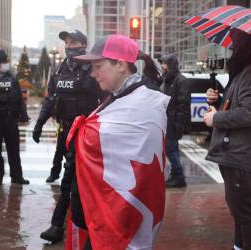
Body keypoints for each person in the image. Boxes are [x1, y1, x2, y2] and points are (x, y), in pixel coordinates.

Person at [64, 34, 170, 249]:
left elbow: (144, 170)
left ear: (120, 64)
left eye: (98, 66)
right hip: (97, 209)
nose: (93, 74)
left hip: (120, 216)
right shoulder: (116, 96)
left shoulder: (145, 102)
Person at [204, 28, 251, 250]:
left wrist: (216, 118)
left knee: (245, 214)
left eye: (237, 44)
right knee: (240, 211)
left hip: (241, 155)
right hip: (236, 154)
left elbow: (249, 114)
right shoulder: (248, 71)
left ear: (247, 45)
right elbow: (239, 105)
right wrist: (218, 101)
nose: (233, 49)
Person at [33, 30, 103, 243]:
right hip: (66, 132)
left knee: (70, 179)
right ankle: (80, 224)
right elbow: (51, 98)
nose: (69, 45)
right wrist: (39, 122)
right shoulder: (61, 68)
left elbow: (107, 99)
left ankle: (58, 226)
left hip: (86, 134)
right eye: (66, 42)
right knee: (74, 179)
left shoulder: (93, 69)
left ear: (82, 44)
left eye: (73, 42)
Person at [0, 48, 29, 185]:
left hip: (10, 119)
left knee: (13, 149)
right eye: (5, 61)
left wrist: (24, 117)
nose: (7, 64)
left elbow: (19, 99)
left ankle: (17, 176)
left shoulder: (11, 78)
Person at [160, 54, 189, 188]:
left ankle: (179, 177)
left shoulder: (180, 81)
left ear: (170, 65)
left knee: (171, 150)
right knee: (172, 150)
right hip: (167, 121)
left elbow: (182, 105)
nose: (162, 66)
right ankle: (175, 175)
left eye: (165, 63)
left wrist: (178, 124)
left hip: (173, 122)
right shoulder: (167, 79)